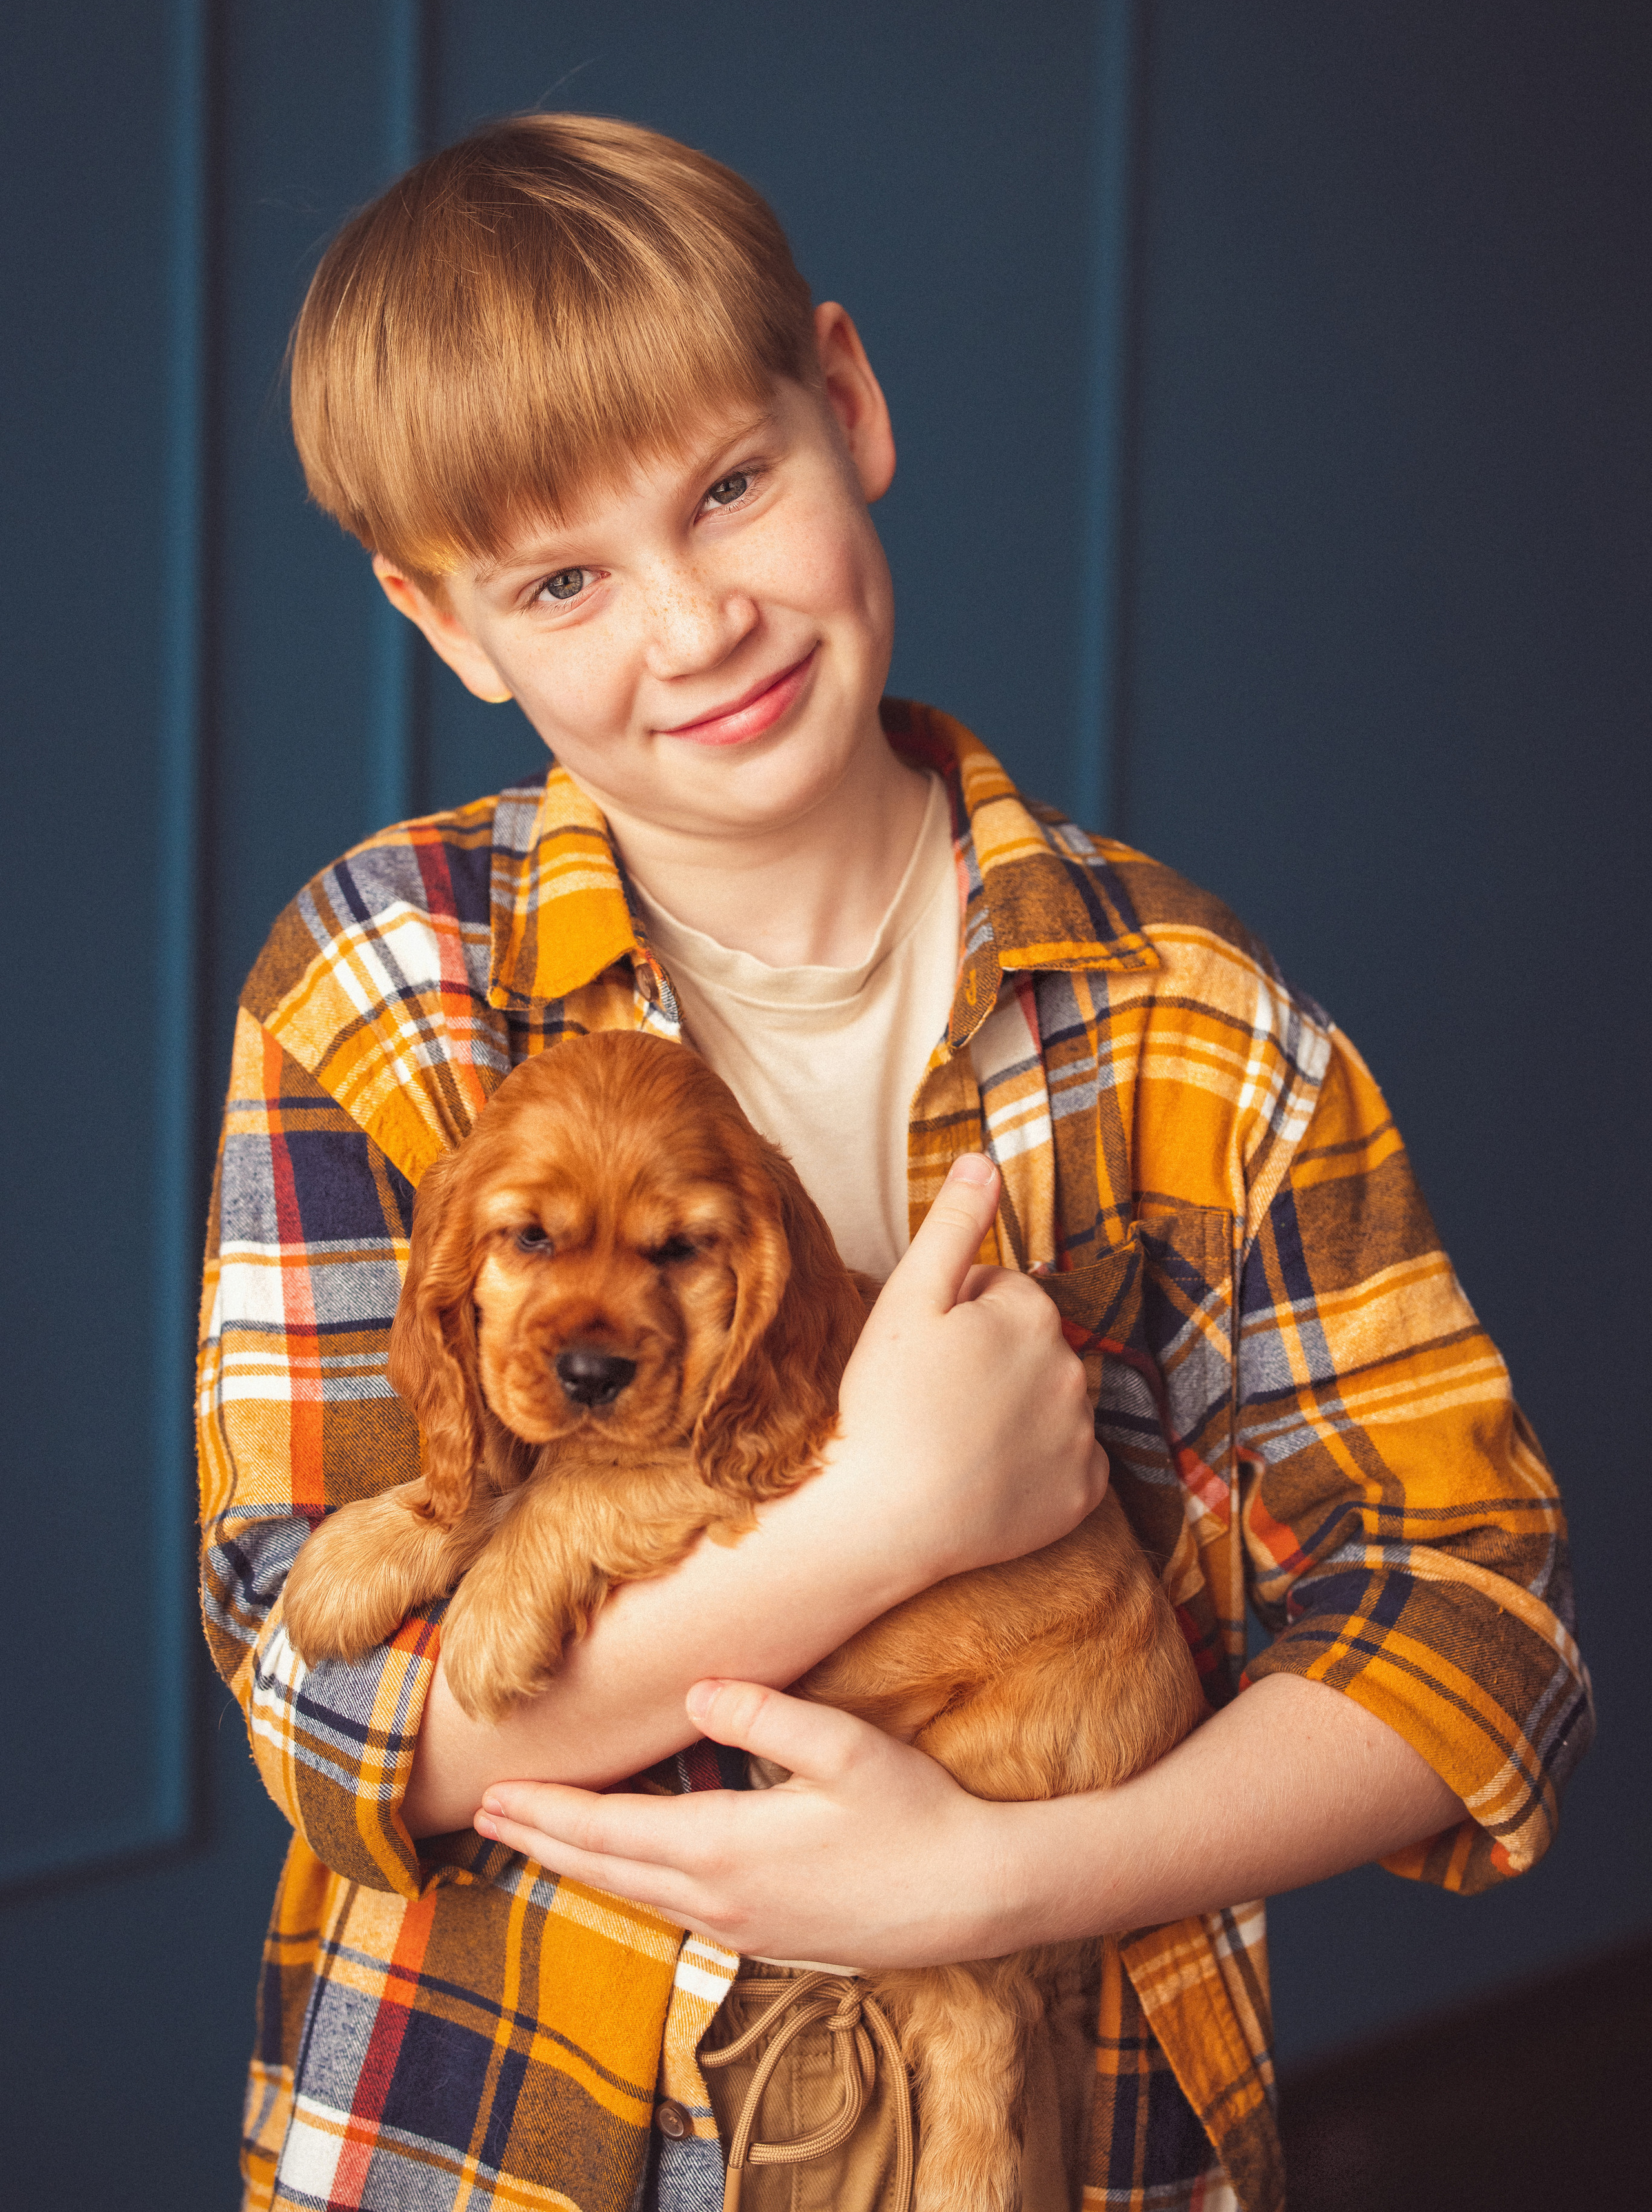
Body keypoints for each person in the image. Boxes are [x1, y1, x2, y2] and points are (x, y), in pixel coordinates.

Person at [197, 114, 1590, 2212]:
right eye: (563, 580)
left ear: (845, 403)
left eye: (731, 488)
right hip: (478, 2129)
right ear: (446, 623)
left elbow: (1480, 1625)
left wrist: (997, 1882)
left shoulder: (1189, 1025)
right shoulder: (380, 986)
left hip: (1072, 2117)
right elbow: (331, 1715)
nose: (694, 627)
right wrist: (893, 1519)